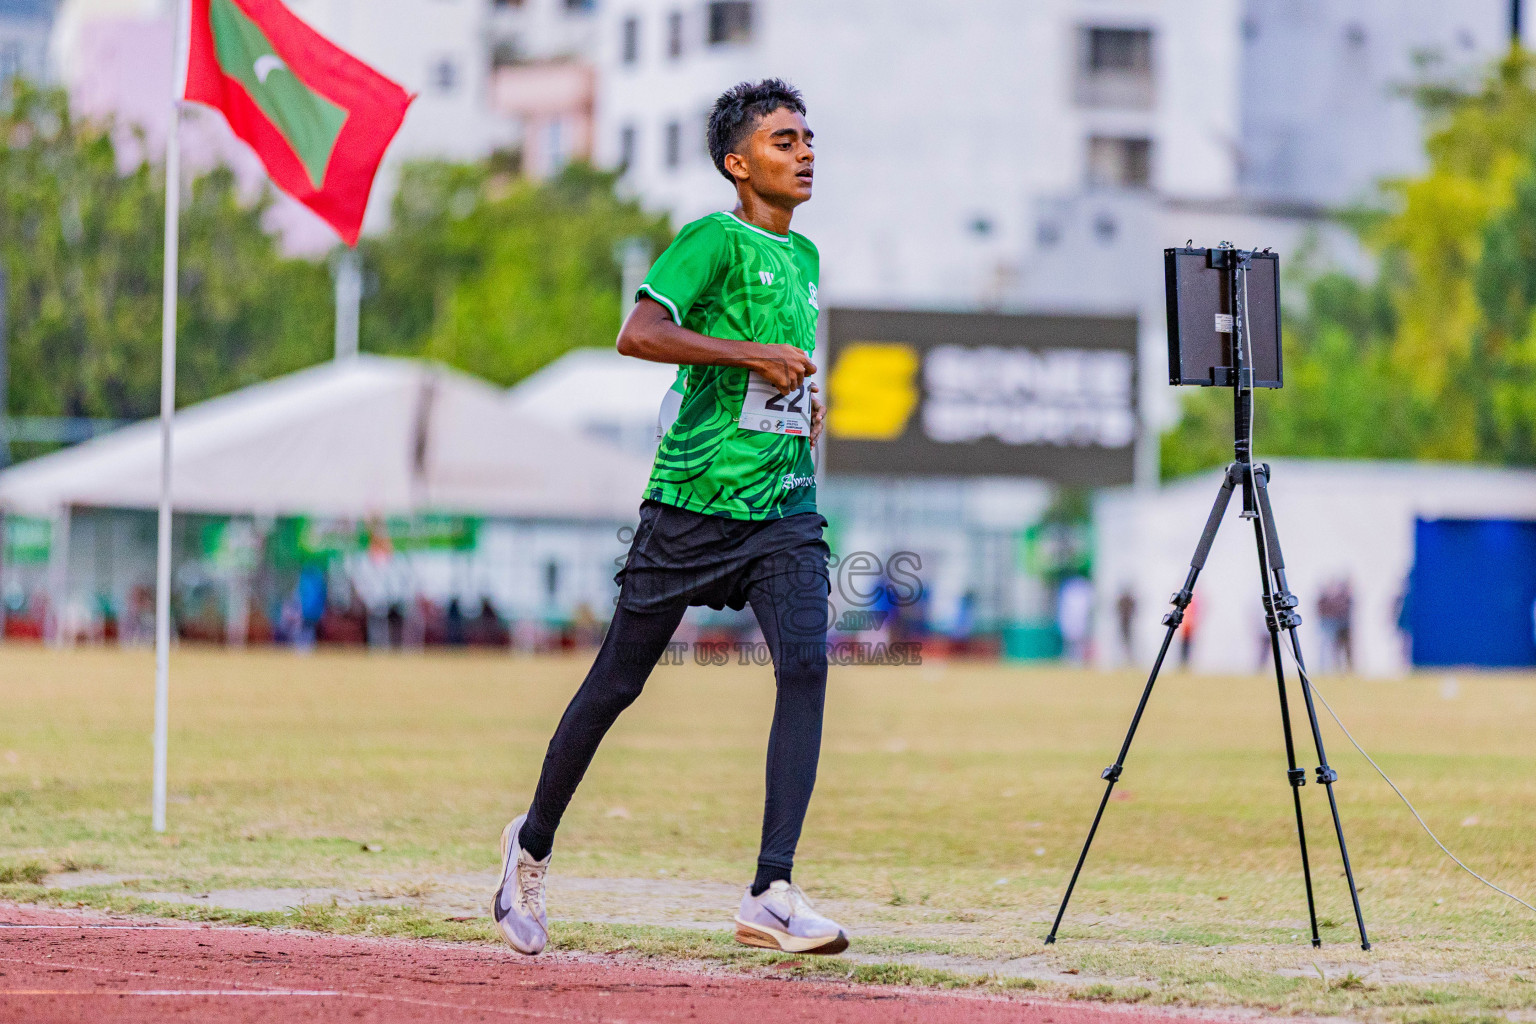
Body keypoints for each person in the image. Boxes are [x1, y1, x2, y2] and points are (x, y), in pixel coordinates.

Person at [493, 79, 846, 958]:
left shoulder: (805, 258)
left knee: (807, 666)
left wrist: (800, 405)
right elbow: (640, 333)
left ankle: (771, 891)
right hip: (689, 507)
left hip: (782, 509)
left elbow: (772, 377)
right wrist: (751, 356)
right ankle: (529, 847)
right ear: (738, 164)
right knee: (617, 683)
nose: (805, 151)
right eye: (784, 140)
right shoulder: (711, 239)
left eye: (808, 138)